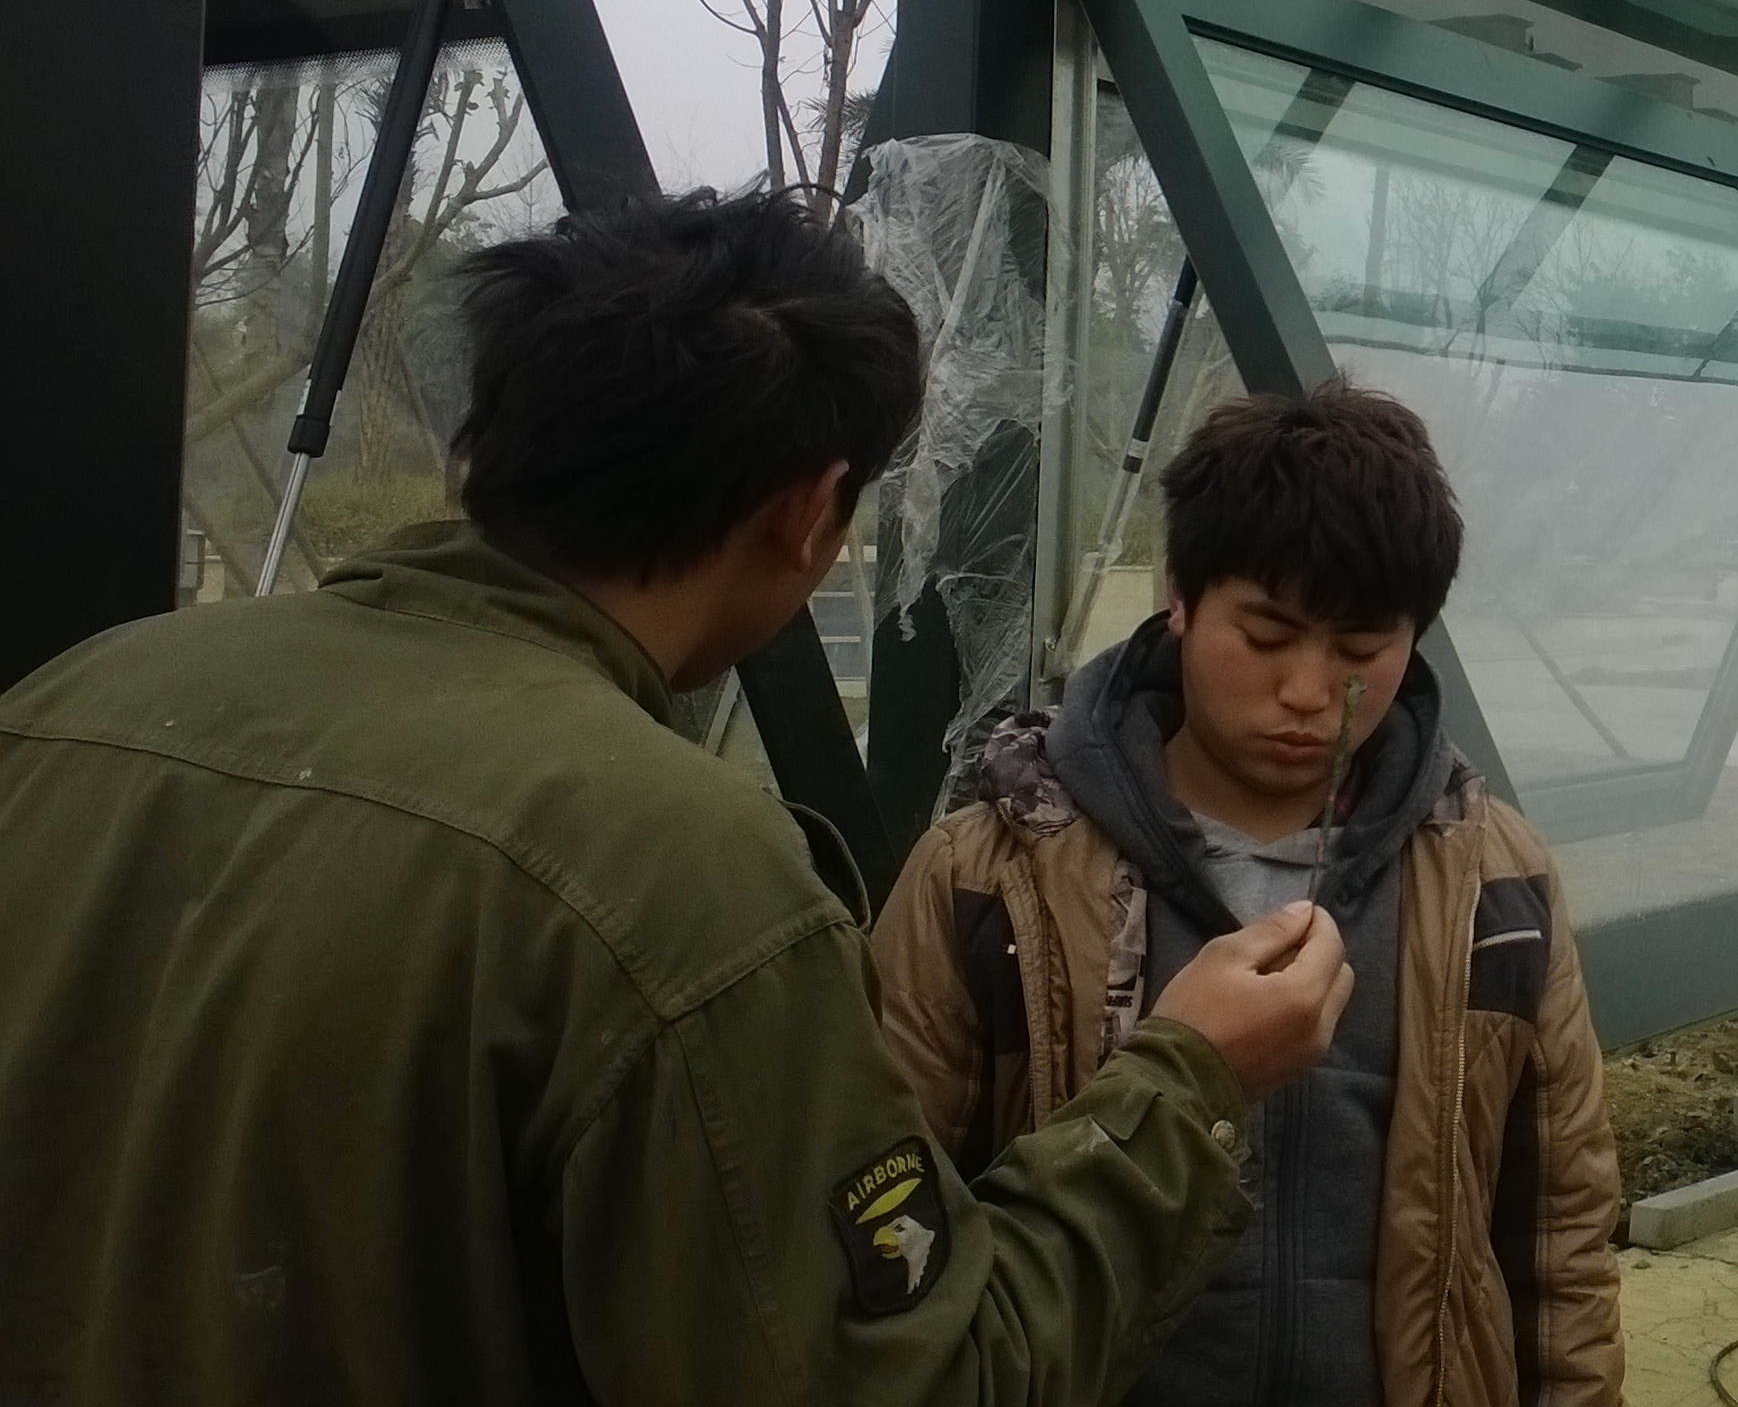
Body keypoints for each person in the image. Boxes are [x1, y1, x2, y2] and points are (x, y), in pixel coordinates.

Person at [0, 190, 1351, 1405]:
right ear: (811, 512)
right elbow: (915, 1375)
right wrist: (1187, 1080)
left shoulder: (68, 704)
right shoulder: (674, 876)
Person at [871, 379, 1622, 1407]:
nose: (1309, 692)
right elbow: (895, 1222)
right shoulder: (989, 875)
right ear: (1178, 595)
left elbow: (1559, 1234)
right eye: (1266, 636)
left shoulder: (1494, 882)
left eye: (1361, 649)